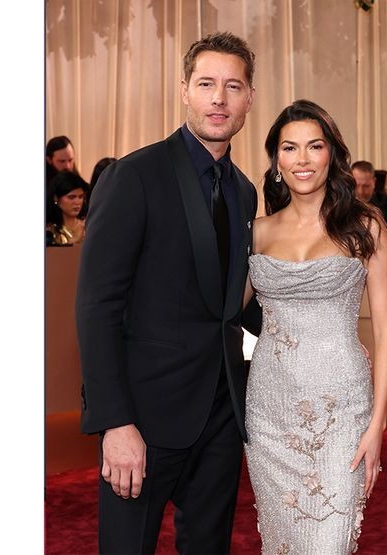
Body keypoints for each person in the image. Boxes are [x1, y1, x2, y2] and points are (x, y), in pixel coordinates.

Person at [75, 32, 261, 554]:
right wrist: (115, 421)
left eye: (232, 86)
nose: (219, 99)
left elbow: (230, 309)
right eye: (206, 84)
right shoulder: (134, 175)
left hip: (222, 417)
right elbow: (97, 306)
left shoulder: (244, 192)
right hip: (145, 419)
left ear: (249, 98)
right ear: (184, 90)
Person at [243, 99, 387, 554]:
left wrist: (378, 423)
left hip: (343, 409)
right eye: (290, 149)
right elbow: (221, 314)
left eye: (315, 146)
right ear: (276, 161)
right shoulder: (257, 231)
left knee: (328, 543)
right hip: (270, 409)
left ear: (332, 153)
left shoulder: (365, 226)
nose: (303, 159)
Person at [46, 171, 88, 245]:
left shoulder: (87, 225)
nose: (77, 202)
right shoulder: (49, 231)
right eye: (71, 197)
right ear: (56, 198)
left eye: (81, 197)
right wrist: (76, 240)